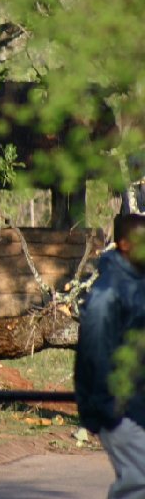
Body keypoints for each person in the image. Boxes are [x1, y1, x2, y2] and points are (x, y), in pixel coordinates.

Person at [76, 213, 145, 499]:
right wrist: (106, 408)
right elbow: (93, 352)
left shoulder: (137, 285)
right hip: (121, 410)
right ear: (125, 245)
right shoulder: (107, 294)